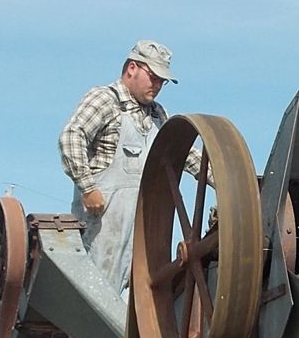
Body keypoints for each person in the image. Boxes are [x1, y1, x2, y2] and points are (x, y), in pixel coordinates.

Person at [59, 39, 199, 296]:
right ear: (132, 68)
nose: (157, 86)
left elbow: (187, 156)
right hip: (101, 225)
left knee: (139, 300)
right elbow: (71, 137)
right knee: (94, 298)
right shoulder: (104, 99)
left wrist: (231, 183)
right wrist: (88, 187)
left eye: (162, 81)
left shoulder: (158, 115)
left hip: (142, 227)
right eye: (153, 77)